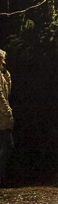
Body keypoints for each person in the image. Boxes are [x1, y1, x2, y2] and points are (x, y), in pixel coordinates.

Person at [0, 49, 14, 187]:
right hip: (2, 114)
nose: (4, 62)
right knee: (8, 144)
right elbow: (0, 96)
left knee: (6, 144)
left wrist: (6, 74)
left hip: (3, 114)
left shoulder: (1, 74)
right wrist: (7, 110)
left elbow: (7, 91)